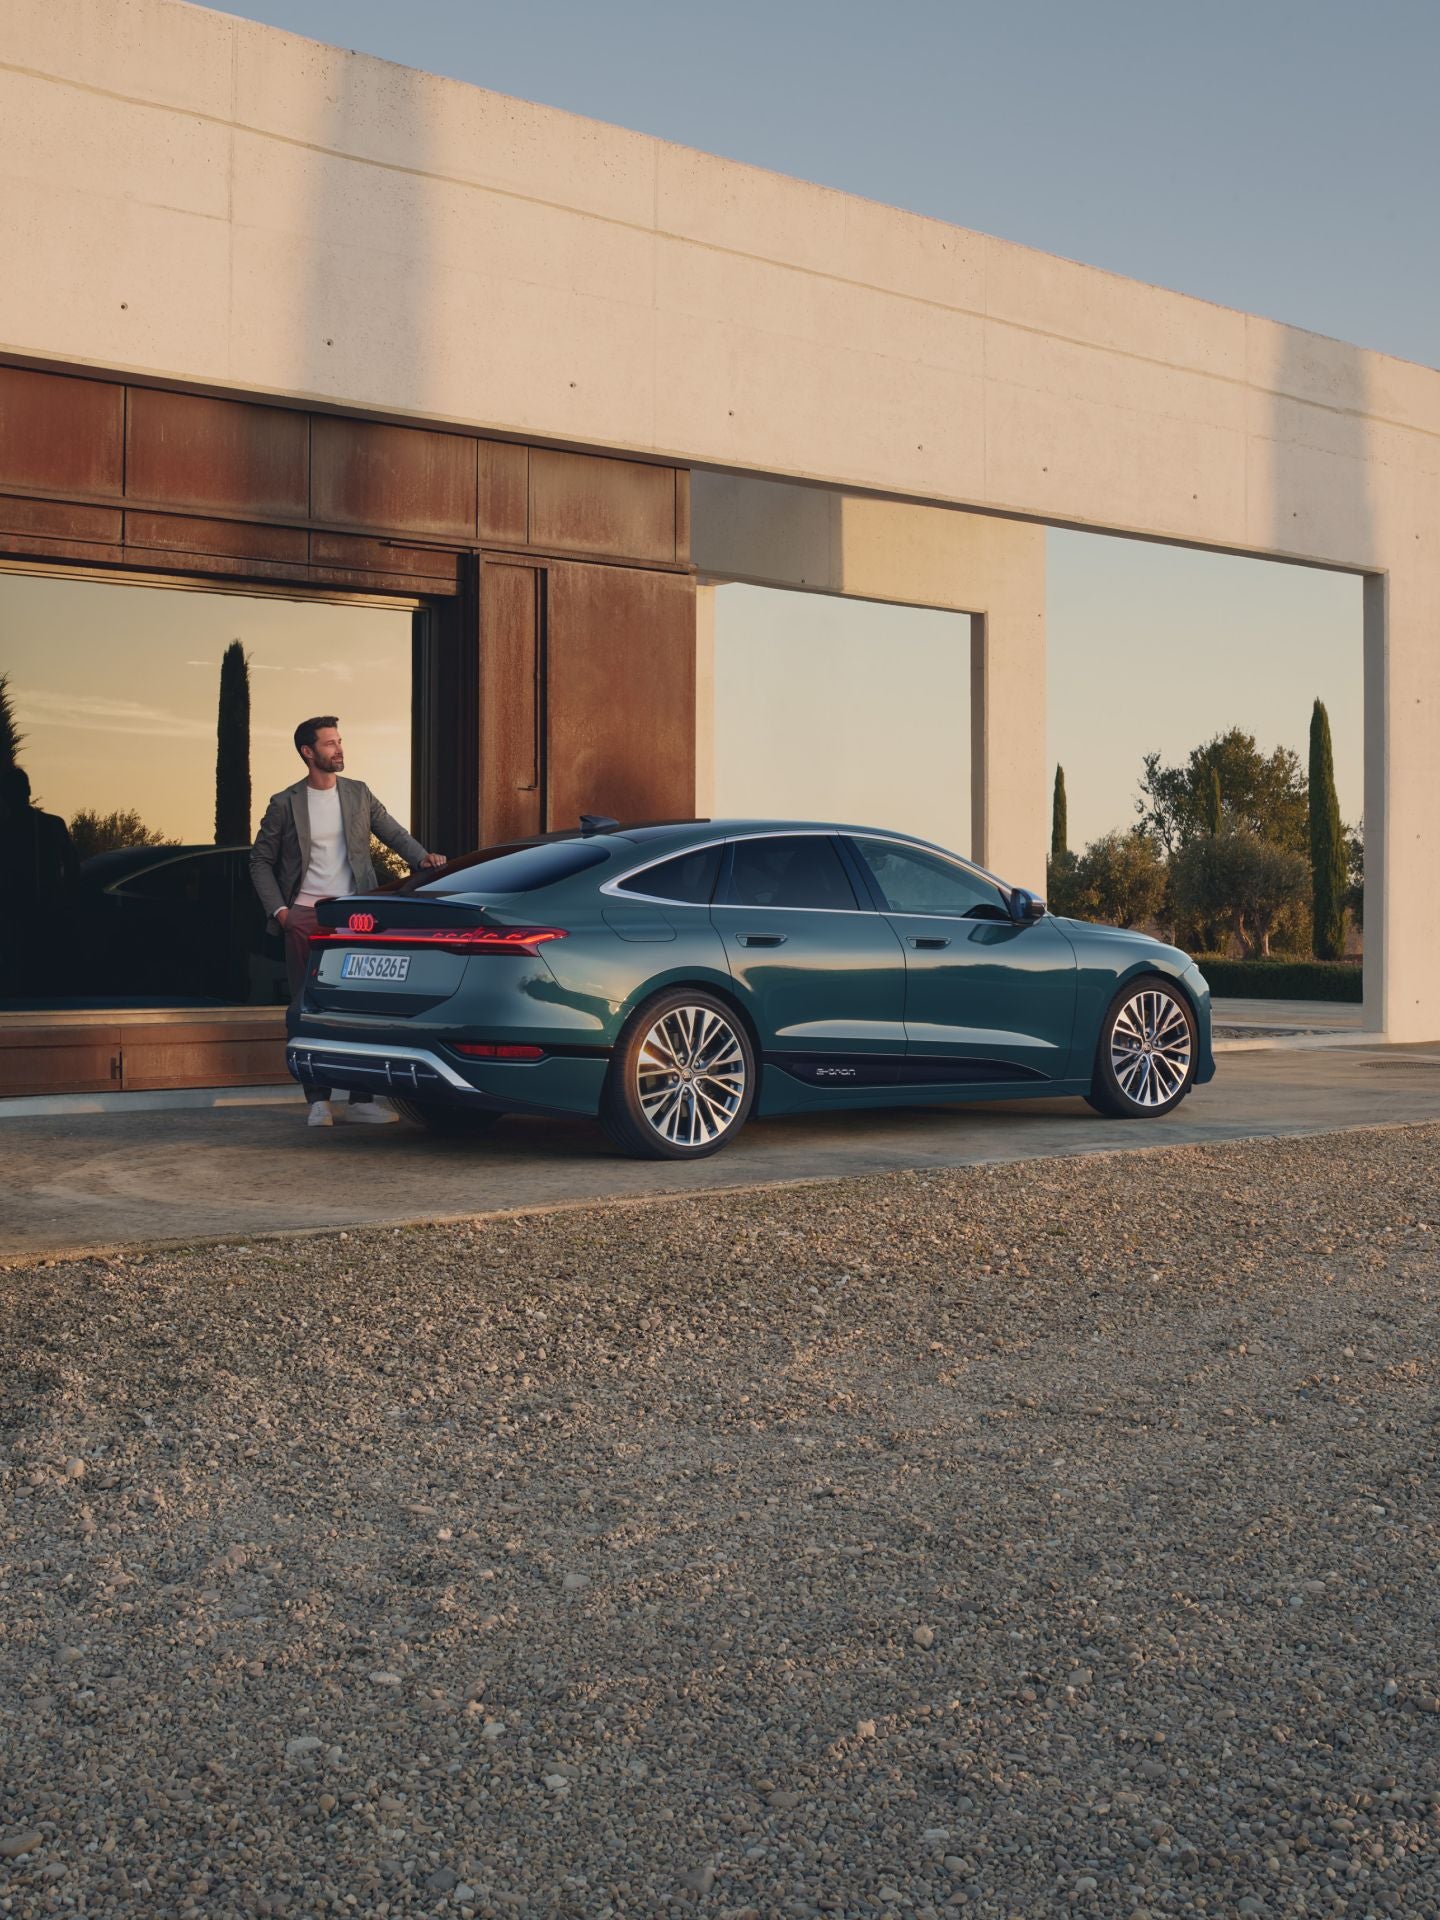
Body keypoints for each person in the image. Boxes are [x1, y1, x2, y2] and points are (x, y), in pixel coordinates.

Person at [250, 716, 445, 1128]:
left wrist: (422, 858)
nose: (339, 749)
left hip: (356, 916)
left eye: (340, 741)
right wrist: (281, 913)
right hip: (305, 917)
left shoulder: (358, 794)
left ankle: (361, 1099)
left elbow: (393, 832)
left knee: (363, 1005)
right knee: (308, 1007)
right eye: (330, 743)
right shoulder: (285, 803)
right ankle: (318, 1100)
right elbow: (260, 862)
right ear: (308, 752)